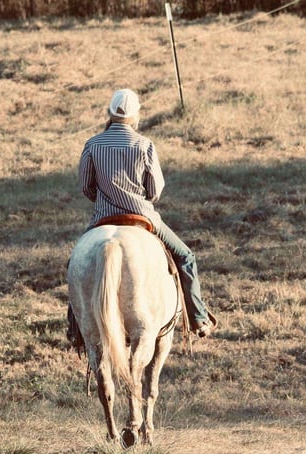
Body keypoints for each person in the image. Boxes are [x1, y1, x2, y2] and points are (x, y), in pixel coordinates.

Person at [71, 88, 217, 339]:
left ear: (110, 113)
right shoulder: (145, 145)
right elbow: (156, 189)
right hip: (142, 217)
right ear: (135, 116)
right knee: (185, 256)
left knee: (76, 265)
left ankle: (75, 328)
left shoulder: (92, 144)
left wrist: (103, 200)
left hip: (103, 218)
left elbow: (86, 186)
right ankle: (198, 318)